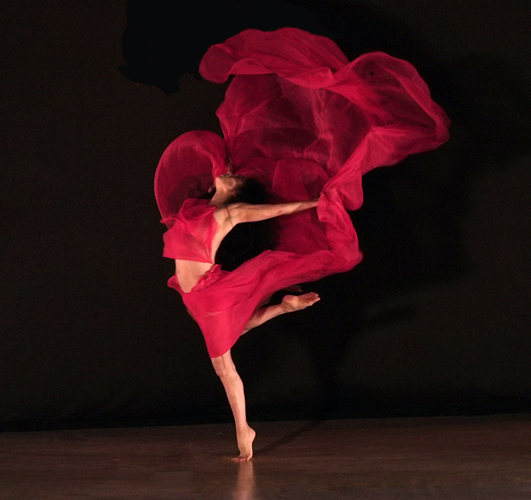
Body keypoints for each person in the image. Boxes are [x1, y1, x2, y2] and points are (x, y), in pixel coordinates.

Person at [155, 28, 450, 461]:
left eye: (230, 175)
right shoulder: (196, 207)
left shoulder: (226, 214)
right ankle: (276, 327)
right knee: (230, 345)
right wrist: (280, 307)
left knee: (225, 366)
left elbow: (270, 212)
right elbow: (240, 320)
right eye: (227, 172)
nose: (226, 171)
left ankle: (244, 433)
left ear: (233, 192)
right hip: (206, 297)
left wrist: (313, 201)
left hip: (208, 295)